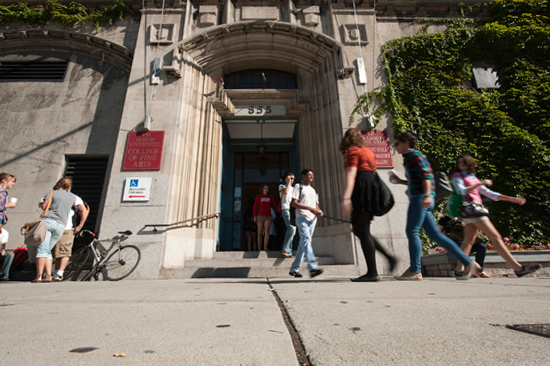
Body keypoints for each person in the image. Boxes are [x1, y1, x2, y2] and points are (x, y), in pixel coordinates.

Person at [390, 132, 479, 280]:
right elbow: (419, 179)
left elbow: (426, 176)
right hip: (424, 197)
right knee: (435, 235)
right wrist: (400, 181)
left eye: (397, 143)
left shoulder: (414, 156)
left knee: (412, 231)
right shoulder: (415, 156)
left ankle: (415, 269)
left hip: (420, 199)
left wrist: (425, 195)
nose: (396, 146)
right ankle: (468, 262)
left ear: (406, 142)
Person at [451, 155, 541, 277]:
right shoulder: (457, 176)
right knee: (495, 237)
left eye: (464, 162)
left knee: (468, 242)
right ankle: (518, 268)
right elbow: (461, 190)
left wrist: (512, 199)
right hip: (473, 210)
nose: (460, 163)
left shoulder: (472, 178)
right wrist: (480, 183)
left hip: (472, 212)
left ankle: (459, 270)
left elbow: (490, 194)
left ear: (469, 163)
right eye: (459, 162)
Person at [339, 128, 397, 282]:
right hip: (371, 189)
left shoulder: (353, 151)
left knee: (362, 230)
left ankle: (374, 271)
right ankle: (386, 260)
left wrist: (346, 198)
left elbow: (351, 174)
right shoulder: (368, 151)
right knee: (361, 230)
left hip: (362, 189)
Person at [33, 177, 81, 283]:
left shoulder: (51, 193)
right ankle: (49, 275)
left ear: (59, 184)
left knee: (42, 249)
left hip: (49, 222)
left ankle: (39, 275)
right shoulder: (73, 197)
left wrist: (41, 204)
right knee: (48, 250)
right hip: (61, 225)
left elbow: (45, 207)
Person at [289, 169, 324, 278]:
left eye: (312, 175)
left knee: (302, 244)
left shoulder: (313, 190)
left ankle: (294, 269)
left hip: (313, 220)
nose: (311, 177)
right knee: (306, 241)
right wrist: (309, 208)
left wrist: (319, 212)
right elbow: (294, 203)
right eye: (309, 175)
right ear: (303, 176)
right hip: (302, 217)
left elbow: (316, 206)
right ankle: (312, 267)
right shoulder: (298, 187)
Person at [51, 192, 88, 281]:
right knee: (57, 251)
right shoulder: (53, 196)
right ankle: (55, 272)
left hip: (67, 229)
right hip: (55, 228)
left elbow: (84, 211)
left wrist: (79, 226)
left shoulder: (74, 198)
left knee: (64, 250)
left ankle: (60, 273)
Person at [253, 184, 278, 251]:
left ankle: (265, 247)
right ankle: (259, 247)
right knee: (260, 232)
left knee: (267, 231)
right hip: (260, 216)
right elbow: (255, 207)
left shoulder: (270, 197)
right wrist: (255, 216)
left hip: (268, 216)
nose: (266, 190)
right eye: (265, 188)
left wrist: (279, 208)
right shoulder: (258, 197)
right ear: (262, 189)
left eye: (267, 189)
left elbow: (274, 205)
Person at [279, 171, 296, 258]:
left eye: (293, 179)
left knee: (293, 230)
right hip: (285, 209)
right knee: (291, 227)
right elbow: (285, 192)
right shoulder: (282, 186)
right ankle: (285, 249)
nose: (292, 180)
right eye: (291, 178)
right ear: (286, 178)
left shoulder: (294, 189)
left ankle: (289, 251)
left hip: (292, 210)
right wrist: (288, 183)